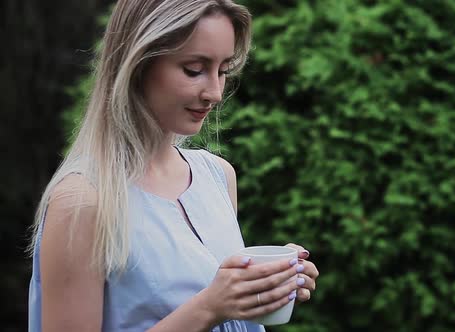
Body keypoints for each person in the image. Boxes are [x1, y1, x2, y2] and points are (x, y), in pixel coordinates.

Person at [27, 0, 319, 331]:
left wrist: (268, 281)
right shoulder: (83, 200)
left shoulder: (218, 176)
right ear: (138, 63)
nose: (215, 92)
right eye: (195, 69)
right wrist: (209, 308)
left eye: (223, 71)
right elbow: (210, 305)